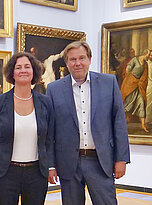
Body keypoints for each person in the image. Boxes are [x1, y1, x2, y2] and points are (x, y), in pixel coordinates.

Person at [47, 41, 130, 205]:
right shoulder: (54, 89)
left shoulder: (109, 83)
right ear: (66, 62)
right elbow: (50, 131)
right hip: (68, 163)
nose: (77, 63)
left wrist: (121, 159)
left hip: (100, 161)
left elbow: (119, 122)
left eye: (81, 58)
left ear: (90, 59)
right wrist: (50, 165)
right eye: (72, 59)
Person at [0, 52, 54, 205]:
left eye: (27, 67)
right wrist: (1, 156)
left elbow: (49, 138)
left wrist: (50, 165)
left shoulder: (45, 102)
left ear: (34, 71)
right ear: (12, 73)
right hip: (5, 173)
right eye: (18, 67)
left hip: (36, 173)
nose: (23, 70)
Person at [120, 49, 150, 132]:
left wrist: (140, 82)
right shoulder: (135, 60)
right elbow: (127, 70)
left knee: (141, 102)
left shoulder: (145, 64)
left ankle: (143, 125)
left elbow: (144, 76)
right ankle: (120, 122)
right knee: (127, 103)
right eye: (148, 55)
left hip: (138, 86)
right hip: (130, 85)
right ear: (145, 54)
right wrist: (131, 78)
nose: (149, 56)